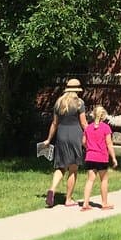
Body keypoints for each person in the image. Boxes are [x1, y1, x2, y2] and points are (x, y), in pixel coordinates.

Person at [41, 78, 87, 207]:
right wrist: (91, 135)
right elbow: (83, 123)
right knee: (73, 168)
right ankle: (68, 199)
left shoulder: (58, 102)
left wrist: (49, 139)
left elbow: (54, 123)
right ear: (78, 90)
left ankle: (52, 189)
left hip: (61, 134)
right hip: (75, 135)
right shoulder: (79, 103)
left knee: (60, 166)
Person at [80, 105, 118, 211]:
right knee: (104, 180)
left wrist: (89, 147)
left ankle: (85, 203)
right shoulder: (106, 128)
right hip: (101, 157)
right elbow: (109, 144)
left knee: (90, 180)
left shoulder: (88, 128)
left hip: (90, 156)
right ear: (103, 116)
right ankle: (104, 203)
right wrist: (114, 158)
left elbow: (83, 142)